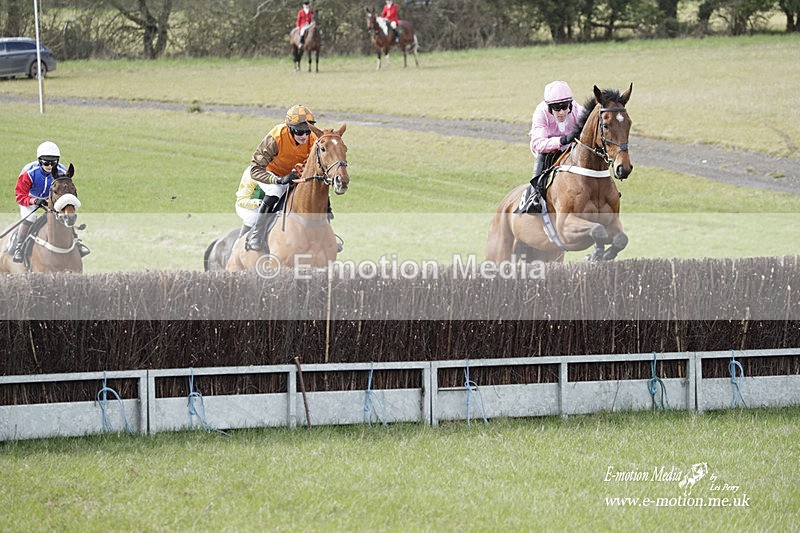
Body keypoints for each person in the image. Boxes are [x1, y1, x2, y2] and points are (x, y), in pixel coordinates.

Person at [245, 104, 318, 252]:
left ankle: (325, 233)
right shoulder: (276, 137)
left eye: (307, 131)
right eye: (299, 131)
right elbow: (255, 169)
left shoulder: (313, 139)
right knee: (276, 190)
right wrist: (279, 180)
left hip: (296, 174)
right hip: (271, 174)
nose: (304, 136)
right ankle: (257, 234)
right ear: (290, 128)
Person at [11, 141, 89, 263]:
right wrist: (35, 200)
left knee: (65, 215)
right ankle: (18, 247)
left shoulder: (63, 172)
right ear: (39, 161)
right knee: (31, 217)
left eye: (53, 162)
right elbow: (20, 195)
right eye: (45, 162)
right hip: (30, 199)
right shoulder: (29, 173)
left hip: (52, 199)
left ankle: (77, 242)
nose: (49, 166)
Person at [527, 80, 585, 211]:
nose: (562, 112)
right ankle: (534, 196)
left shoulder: (578, 110)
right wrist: (562, 140)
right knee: (543, 155)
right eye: (556, 108)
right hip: (547, 149)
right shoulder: (541, 113)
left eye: (565, 107)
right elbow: (538, 144)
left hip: (571, 146)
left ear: (571, 104)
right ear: (549, 107)